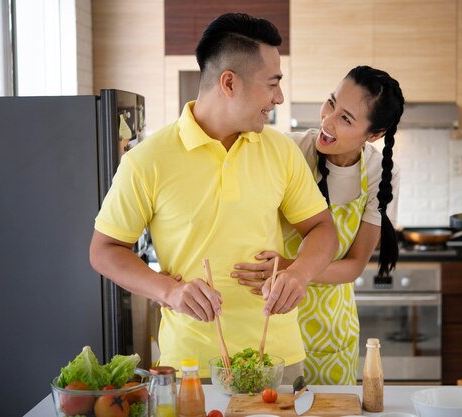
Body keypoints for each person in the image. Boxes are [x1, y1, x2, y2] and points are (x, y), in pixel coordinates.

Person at [89, 12, 338, 380]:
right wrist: (168, 292)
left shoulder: (281, 151)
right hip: (192, 367)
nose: (279, 97)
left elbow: (322, 229)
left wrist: (299, 273)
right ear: (229, 83)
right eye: (272, 83)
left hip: (279, 362)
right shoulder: (146, 160)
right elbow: (104, 250)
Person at [232, 65, 405, 384]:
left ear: (375, 134)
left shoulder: (379, 173)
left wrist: (291, 267)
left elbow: (353, 266)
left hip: (331, 329)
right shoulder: (290, 149)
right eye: (331, 103)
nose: (327, 120)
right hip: (273, 319)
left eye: (346, 119)